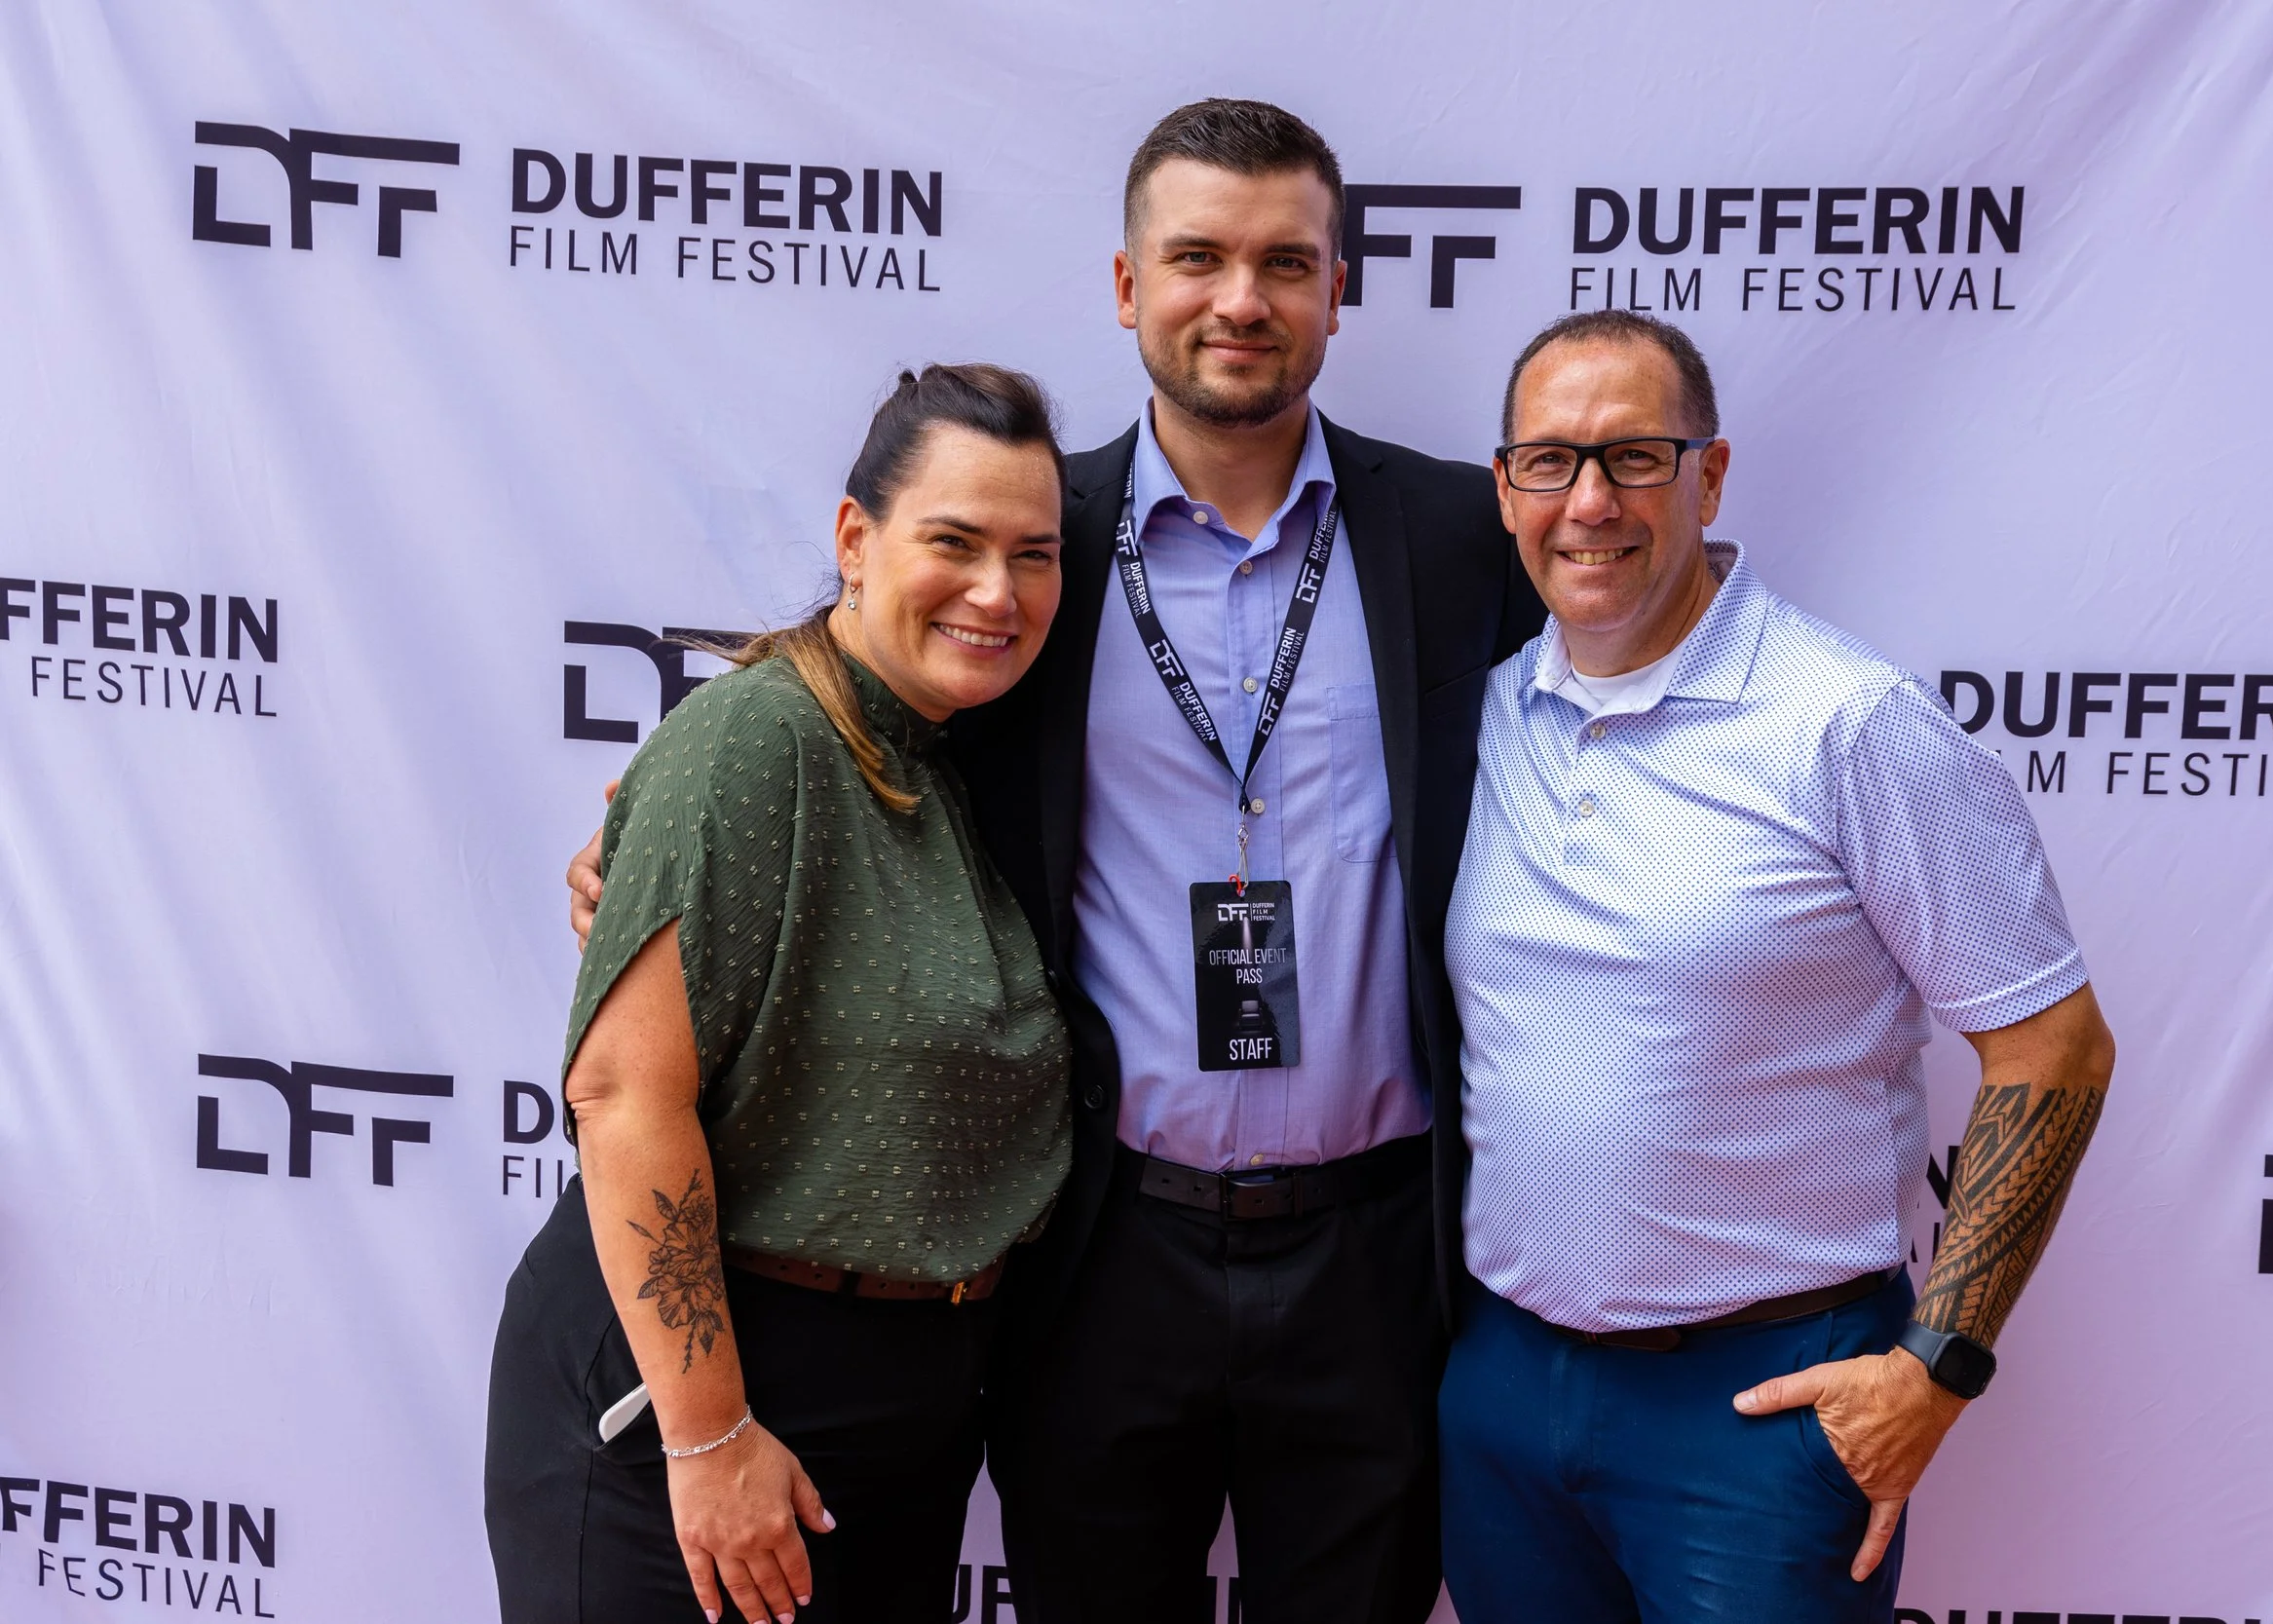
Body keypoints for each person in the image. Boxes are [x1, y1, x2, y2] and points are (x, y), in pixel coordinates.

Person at [568, 98, 1540, 1623]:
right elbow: (844, 696)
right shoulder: (1038, 545)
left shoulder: (1457, 537)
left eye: (1287, 261)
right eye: (1198, 256)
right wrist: (645, 836)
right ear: (1125, 285)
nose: (1241, 298)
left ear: (1339, 291)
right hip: (1100, 1255)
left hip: (1378, 1252)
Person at [1435, 308, 2117, 1623]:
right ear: (1506, 486)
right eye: (1549, 462)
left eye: (1635, 457)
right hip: (1507, 1387)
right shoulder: (1486, 710)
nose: (1590, 502)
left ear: (1712, 472)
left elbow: (2054, 1044)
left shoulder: (1846, 721)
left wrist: (1939, 1363)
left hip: (1760, 1402)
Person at [490, 363, 1076, 1624]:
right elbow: (624, 1096)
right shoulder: (759, 739)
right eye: (955, 542)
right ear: (855, 539)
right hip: (693, 1413)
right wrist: (706, 1440)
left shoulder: (951, 756)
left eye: (1035, 554)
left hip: (893, 1434)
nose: (998, 589)